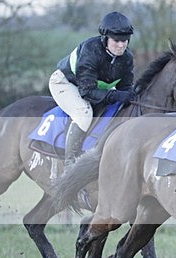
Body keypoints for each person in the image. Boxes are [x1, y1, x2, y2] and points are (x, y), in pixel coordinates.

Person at [49, 11, 136, 164]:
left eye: (125, 40)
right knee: (84, 113)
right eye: (116, 40)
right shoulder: (91, 51)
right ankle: (70, 163)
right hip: (65, 83)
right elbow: (87, 92)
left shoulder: (127, 58)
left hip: (93, 87)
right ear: (105, 38)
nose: (122, 45)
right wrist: (114, 95)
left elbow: (125, 88)